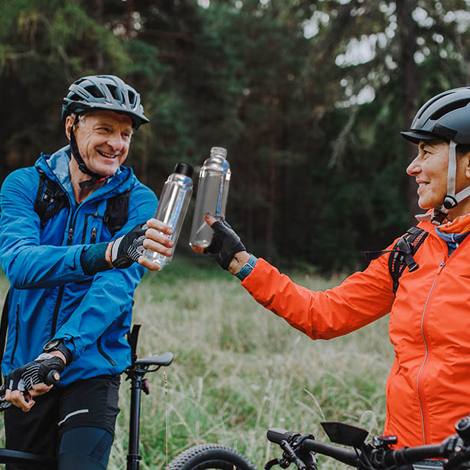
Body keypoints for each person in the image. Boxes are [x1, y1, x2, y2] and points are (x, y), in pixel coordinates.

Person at [200, 87, 470, 449]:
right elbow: (323, 314)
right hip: (402, 454)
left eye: (427, 151)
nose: (413, 167)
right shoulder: (412, 249)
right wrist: (241, 262)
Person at [0, 75, 172, 469]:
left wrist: (62, 350)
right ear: (71, 125)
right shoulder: (24, 186)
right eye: (105, 129)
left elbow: (114, 288)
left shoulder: (139, 201)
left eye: (126, 134)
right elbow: (20, 264)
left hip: (92, 369)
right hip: (26, 370)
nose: (117, 144)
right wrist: (107, 251)